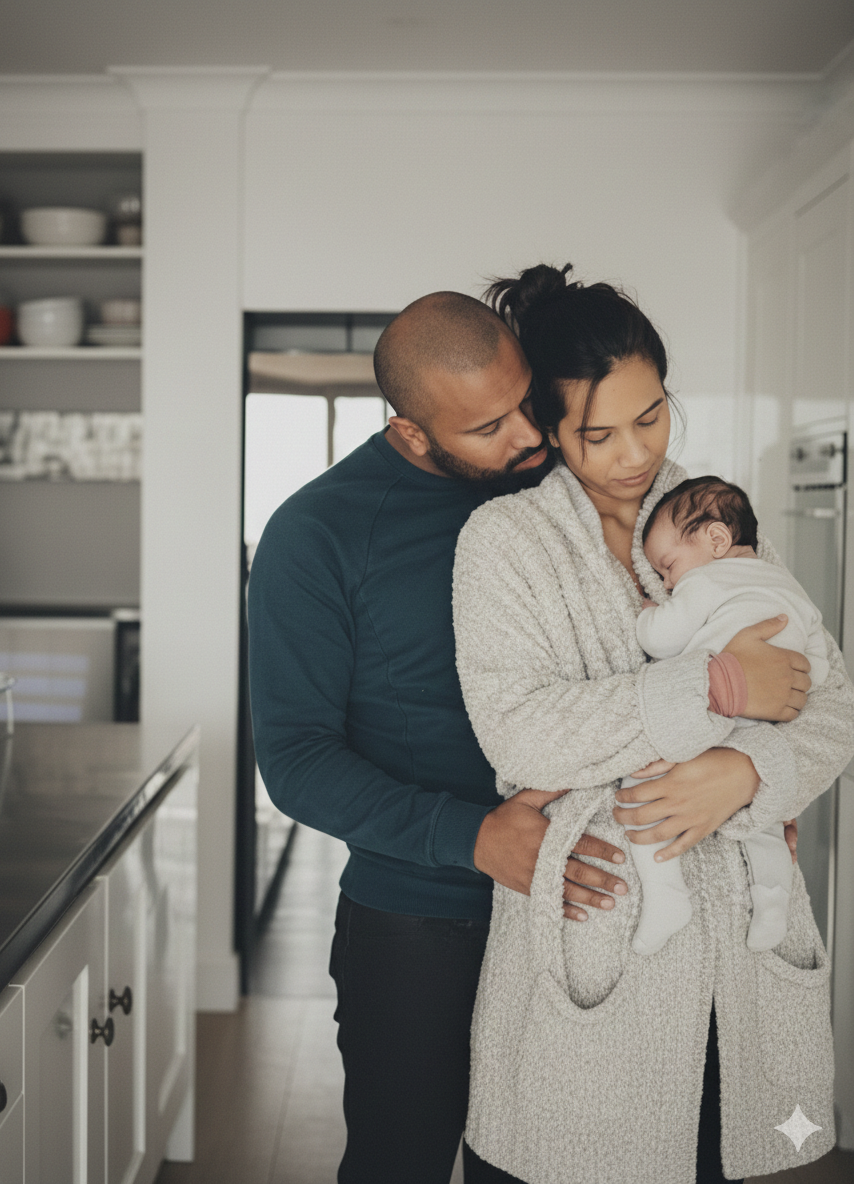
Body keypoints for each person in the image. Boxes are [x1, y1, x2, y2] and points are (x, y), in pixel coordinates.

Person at [247, 290, 809, 1184]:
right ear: (412, 434)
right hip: (422, 917)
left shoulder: (571, 488)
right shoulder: (316, 536)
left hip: (595, 901)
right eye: (490, 427)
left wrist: (747, 771)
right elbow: (295, 760)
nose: (530, 438)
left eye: (528, 405)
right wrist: (472, 838)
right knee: (403, 1162)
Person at [452, 264, 854, 1184]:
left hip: (745, 964)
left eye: (652, 415)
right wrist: (712, 691)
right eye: (598, 433)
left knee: (764, 1148)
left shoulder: (715, 517)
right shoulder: (505, 546)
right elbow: (520, 734)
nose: (635, 454)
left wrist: (749, 774)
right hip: (601, 951)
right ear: (550, 429)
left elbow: (830, 704)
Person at [619, 474, 830, 955]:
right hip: (770, 727)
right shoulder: (790, 586)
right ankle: (773, 899)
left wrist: (650, 611)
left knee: (640, 793)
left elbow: (661, 639)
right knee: (765, 816)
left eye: (668, 566)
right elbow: (814, 670)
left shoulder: (706, 581)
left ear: (715, 539)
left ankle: (666, 894)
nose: (669, 580)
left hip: (711, 718)